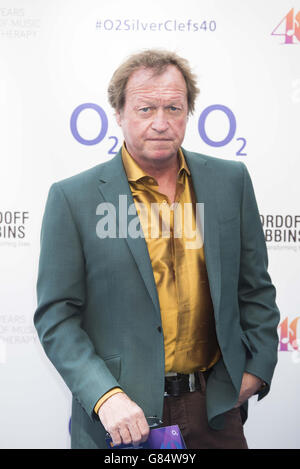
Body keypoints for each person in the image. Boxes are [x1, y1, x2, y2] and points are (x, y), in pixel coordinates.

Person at [34, 49, 280, 449]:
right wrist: (105, 396)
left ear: (189, 112)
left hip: (215, 412)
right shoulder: (73, 198)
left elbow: (255, 288)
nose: (161, 123)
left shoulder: (230, 182)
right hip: (120, 420)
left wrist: (256, 369)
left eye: (174, 108)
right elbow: (56, 317)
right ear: (119, 113)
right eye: (146, 108)